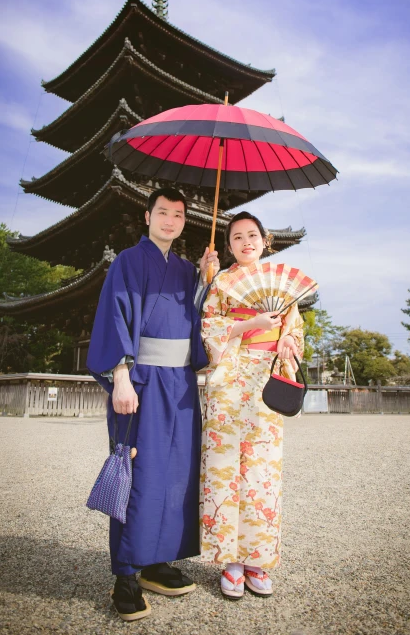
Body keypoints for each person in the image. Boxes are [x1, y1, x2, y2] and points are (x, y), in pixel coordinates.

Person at [87, 187, 219, 622]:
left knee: (177, 473)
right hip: (140, 380)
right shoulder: (128, 261)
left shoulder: (184, 269)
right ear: (147, 217)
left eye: (178, 214)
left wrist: (205, 280)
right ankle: (125, 574)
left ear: (184, 221)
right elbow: (115, 316)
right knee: (138, 472)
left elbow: (196, 323)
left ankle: (158, 559)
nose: (170, 220)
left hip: (180, 383)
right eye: (162, 212)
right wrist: (120, 376)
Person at [200, 211, 304, 599]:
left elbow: (293, 329)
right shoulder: (222, 282)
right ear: (228, 246)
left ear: (265, 240)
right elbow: (209, 328)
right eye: (237, 237)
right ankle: (229, 559)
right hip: (229, 378)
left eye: (252, 235)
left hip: (265, 379)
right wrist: (251, 322)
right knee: (224, 467)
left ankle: (257, 557)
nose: (246, 242)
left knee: (261, 470)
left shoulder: (281, 285)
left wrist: (288, 341)